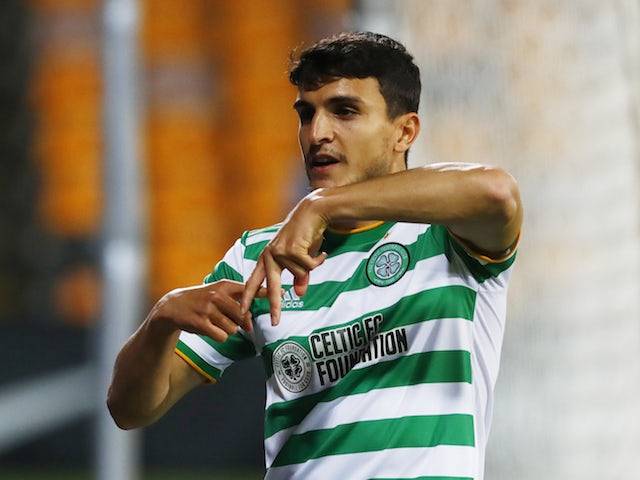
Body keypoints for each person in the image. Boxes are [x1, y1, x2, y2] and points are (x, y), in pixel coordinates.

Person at [107, 31, 522, 480]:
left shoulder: (447, 234)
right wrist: (162, 320)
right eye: (306, 114)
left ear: (404, 132)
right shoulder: (259, 255)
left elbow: (497, 192)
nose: (317, 133)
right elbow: (129, 409)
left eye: (344, 111)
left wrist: (321, 206)